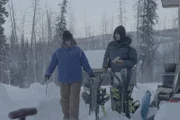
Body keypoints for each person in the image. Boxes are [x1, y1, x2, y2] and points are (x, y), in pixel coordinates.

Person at [45, 30, 94, 120]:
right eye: (66, 40)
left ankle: (74, 117)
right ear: (63, 41)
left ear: (72, 40)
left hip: (76, 79)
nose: (68, 42)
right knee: (64, 99)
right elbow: (52, 63)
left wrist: (90, 72)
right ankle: (66, 116)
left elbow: (85, 63)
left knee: (74, 99)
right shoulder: (58, 52)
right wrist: (48, 73)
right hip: (63, 79)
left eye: (69, 40)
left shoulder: (78, 51)